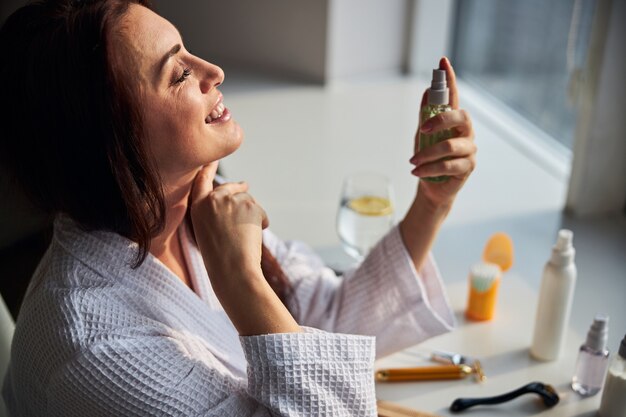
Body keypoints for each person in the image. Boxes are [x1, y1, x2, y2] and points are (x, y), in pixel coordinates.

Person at [0, 0, 476, 415]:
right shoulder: (92, 351)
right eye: (180, 73)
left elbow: (323, 315)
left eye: (188, 49)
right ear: (110, 142)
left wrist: (432, 202)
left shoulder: (197, 209)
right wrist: (242, 281)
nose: (214, 71)